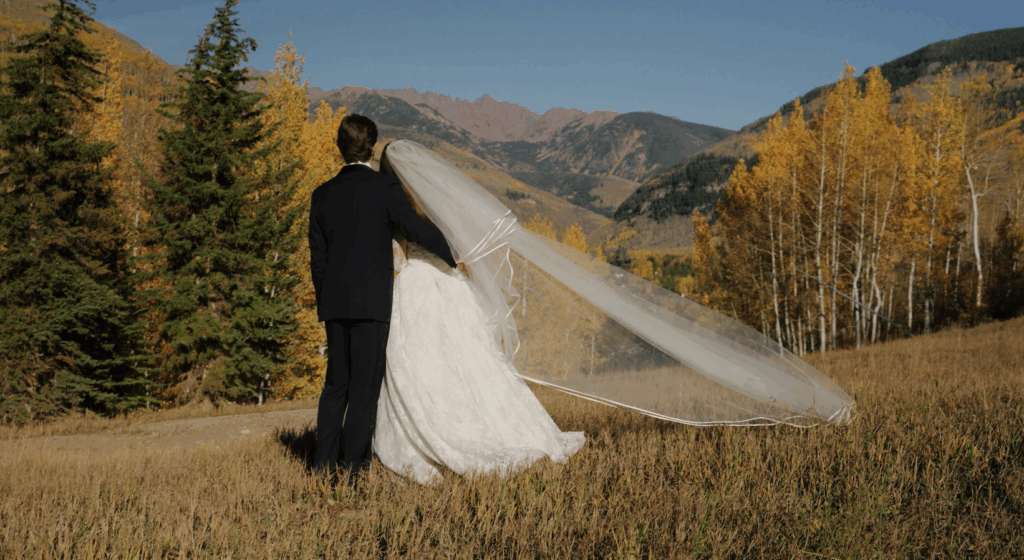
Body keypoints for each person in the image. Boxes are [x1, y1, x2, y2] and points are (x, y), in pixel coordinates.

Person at [371, 148, 586, 485]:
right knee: (471, 363)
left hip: (416, 287)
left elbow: (398, 256)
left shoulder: (393, 206)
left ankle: (426, 436)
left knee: (419, 363)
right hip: (451, 286)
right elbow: (454, 247)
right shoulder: (434, 207)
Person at [308, 115, 457, 479]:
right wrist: (452, 252)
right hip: (372, 303)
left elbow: (319, 257)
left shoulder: (322, 194)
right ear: (372, 147)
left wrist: (325, 301)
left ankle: (321, 467)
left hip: (334, 303)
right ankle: (352, 470)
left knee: (334, 386)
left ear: (340, 147)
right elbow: (416, 228)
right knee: (364, 388)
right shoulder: (384, 189)